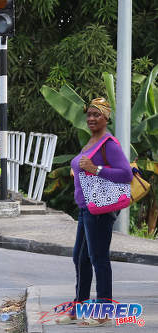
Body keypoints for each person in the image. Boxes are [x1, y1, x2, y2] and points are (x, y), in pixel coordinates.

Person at [56, 97, 132, 327]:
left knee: (98, 259)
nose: (91, 118)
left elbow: (126, 174)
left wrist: (95, 169)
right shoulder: (91, 141)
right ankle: (79, 306)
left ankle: (104, 311)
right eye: (89, 114)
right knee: (80, 258)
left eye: (96, 114)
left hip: (99, 211)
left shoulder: (109, 144)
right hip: (85, 209)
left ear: (106, 117)